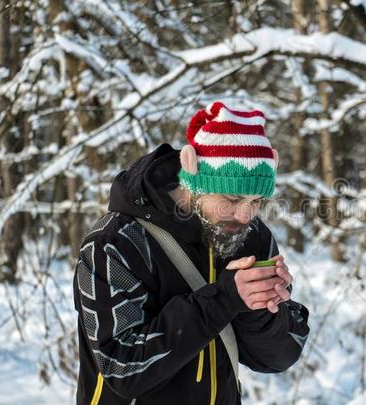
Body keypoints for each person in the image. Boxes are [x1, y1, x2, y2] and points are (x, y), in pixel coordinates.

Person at [73, 101, 310, 404]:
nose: (245, 215)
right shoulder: (115, 243)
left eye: (257, 200)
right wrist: (223, 300)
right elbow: (122, 368)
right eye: (232, 197)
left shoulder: (250, 235)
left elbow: (278, 358)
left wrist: (262, 307)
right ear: (193, 178)